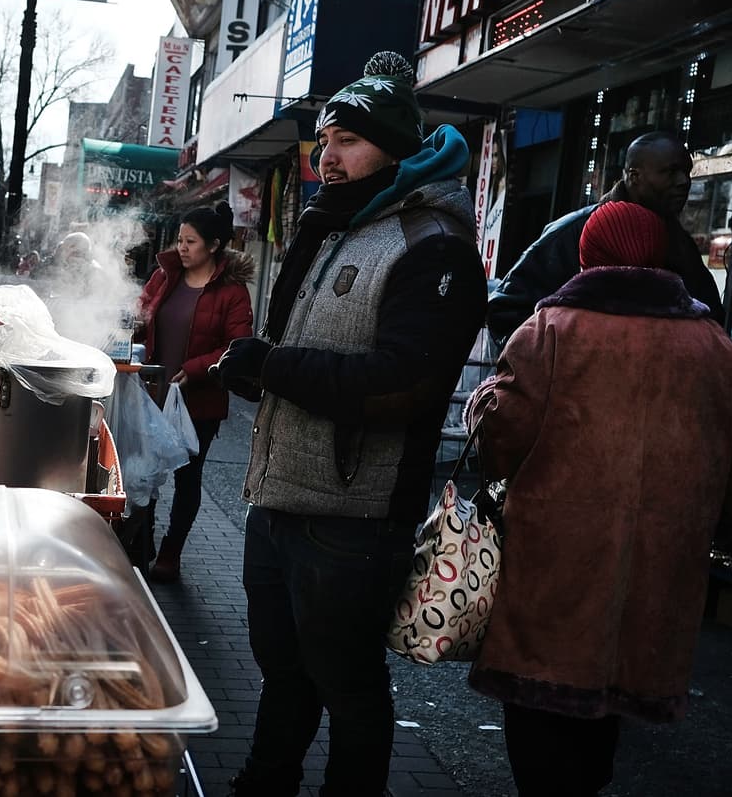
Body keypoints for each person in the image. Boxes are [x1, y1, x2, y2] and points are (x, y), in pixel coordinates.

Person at [214, 51, 488, 796]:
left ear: (392, 150)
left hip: (353, 520)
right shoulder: (336, 222)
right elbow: (296, 347)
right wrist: (254, 369)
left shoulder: (435, 243)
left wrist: (273, 366)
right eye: (324, 141)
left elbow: (402, 385)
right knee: (283, 678)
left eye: (346, 142)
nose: (326, 158)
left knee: (350, 691)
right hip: (278, 503)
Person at [463, 200, 732, 797]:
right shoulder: (711, 343)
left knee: (541, 707)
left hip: (556, 558)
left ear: (587, 255)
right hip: (660, 564)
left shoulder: (552, 328)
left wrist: (484, 419)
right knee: (608, 702)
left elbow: (503, 431)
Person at [486, 130, 724, 348]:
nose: (684, 181)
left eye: (686, 171)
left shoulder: (681, 245)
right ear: (634, 176)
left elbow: (713, 319)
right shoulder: (573, 232)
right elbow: (504, 310)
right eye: (670, 172)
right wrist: (559, 367)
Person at [134, 201, 255, 582]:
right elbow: (139, 318)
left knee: (188, 478)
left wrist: (195, 369)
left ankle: (172, 551)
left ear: (214, 245)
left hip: (198, 401)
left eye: (191, 241)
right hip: (151, 393)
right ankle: (141, 544)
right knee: (144, 473)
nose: (182, 248)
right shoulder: (163, 278)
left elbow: (240, 346)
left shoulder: (232, 293)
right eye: (180, 240)